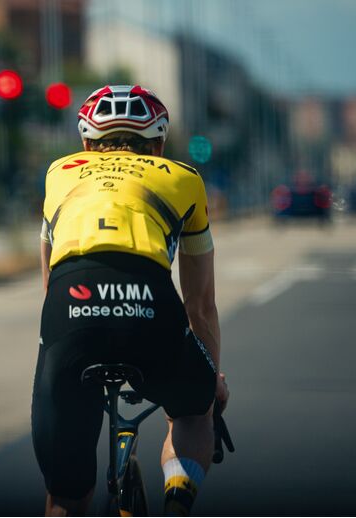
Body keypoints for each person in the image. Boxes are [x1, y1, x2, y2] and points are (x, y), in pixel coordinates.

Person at [33, 85, 229, 516]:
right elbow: (200, 304)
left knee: (65, 495)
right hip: (148, 303)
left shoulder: (58, 172)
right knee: (193, 412)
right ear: (158, 145)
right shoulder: (183, 178)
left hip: (72, 309)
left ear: (87, 144)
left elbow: (49, 287)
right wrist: (209, 380)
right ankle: (177, 499)